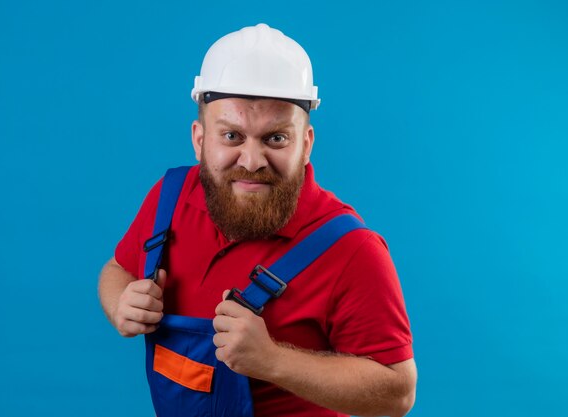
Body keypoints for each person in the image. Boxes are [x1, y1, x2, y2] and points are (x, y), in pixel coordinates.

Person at [99, 23, 416, 417]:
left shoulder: (352, 249)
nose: (252, 162)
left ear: (306, 144)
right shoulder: (170, 197)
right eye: (232, 136)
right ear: (199, 140)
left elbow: (397, 392)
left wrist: (271, 360)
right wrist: (120, 304)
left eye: (276, 138)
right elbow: (117, 269)